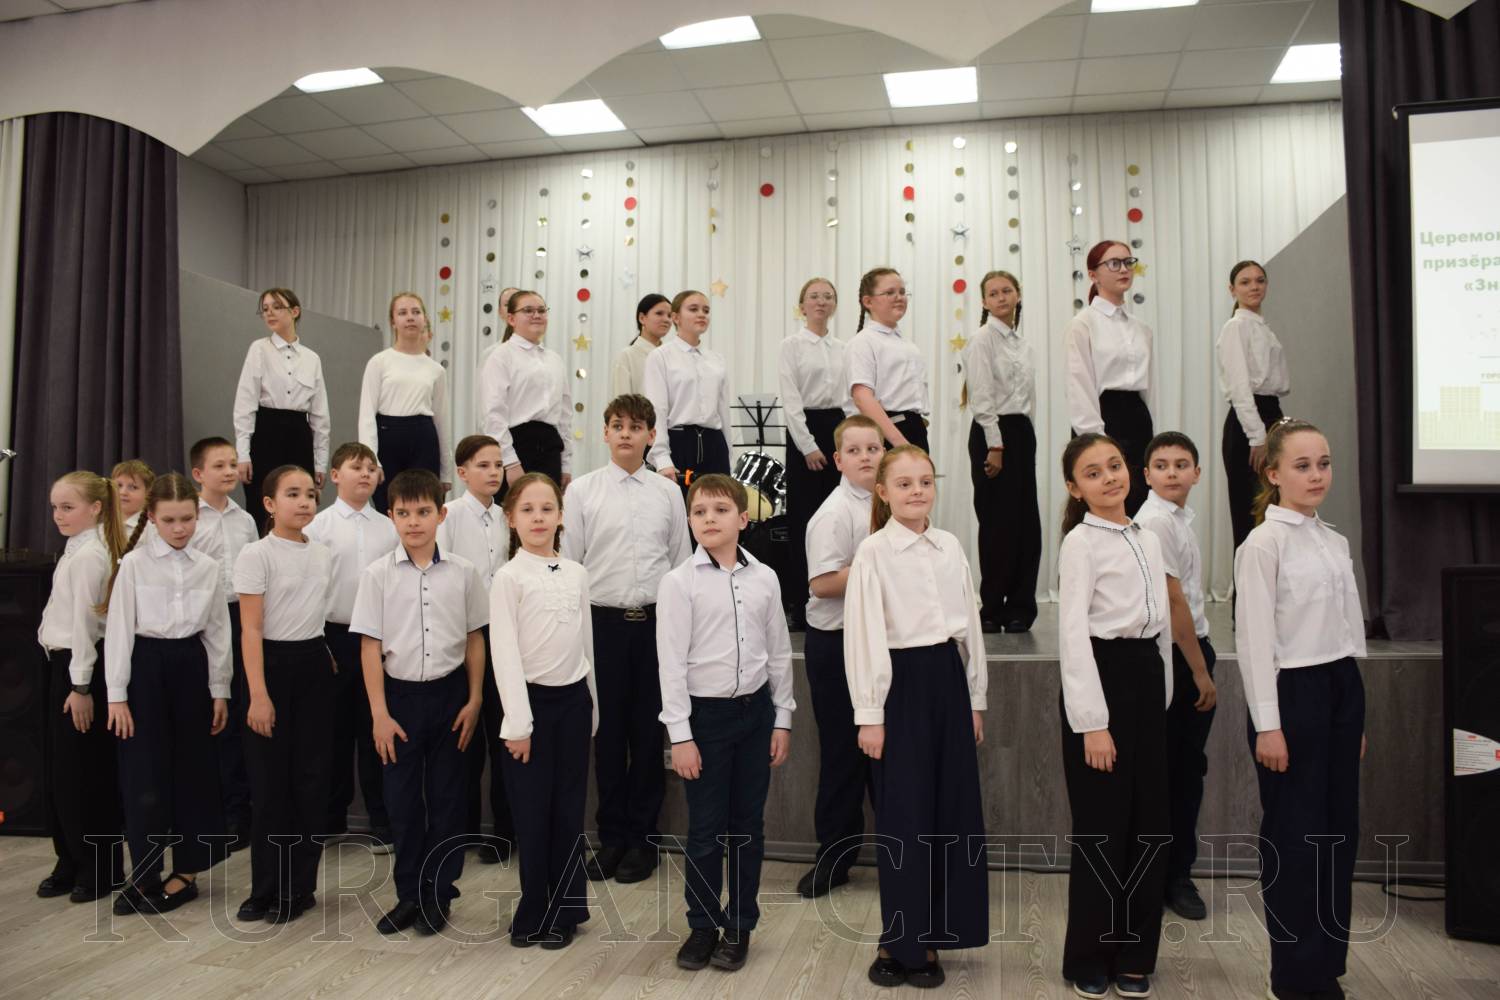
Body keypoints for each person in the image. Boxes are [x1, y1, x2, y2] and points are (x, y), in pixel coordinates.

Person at [845, 445, 988, 990]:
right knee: (905, 819)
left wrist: (975, 699)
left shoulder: (950, 546)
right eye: (904, 484)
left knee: (950, 815)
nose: (917, 491)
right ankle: (897, 940)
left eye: (925, 481)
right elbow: (864, 634)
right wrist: (870, 713)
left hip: (948, 683)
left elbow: (969, 625)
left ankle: (931, 938)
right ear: (883, 492)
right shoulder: (873, 552)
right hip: (898, 688)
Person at [1235, 418, 1367, 1000]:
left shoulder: (1333, 540)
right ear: (1273, 473)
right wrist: (1269, 725)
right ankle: (1292, 975)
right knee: (1295, 837)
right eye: (1302, 466)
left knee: (1339, 832)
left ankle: (1325, 966)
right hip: (1292, 693)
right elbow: (1254, 641)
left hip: (1341, 686)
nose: (1317, 475)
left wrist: (1353, 719)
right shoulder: (1263, 544)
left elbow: (1343, 631)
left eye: (1324, 464)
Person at [657, 474, 794, 973]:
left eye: (720, 510)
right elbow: (671, 666)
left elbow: (778, 652)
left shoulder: (765, 578)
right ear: (690, 521)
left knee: (747, 827)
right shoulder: (679, 583)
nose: (709, 519)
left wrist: (782, 718)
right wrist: (681, 737)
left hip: (755, 715)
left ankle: (739, 925)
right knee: (705, 829)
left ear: (743, 518)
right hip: (706, 719)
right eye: (699, 512)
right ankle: (701, 925)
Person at [1056, 433, 1173, 1000]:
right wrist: (1093, 723)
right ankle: (1090, 954)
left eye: (1115, 465)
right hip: (1102, 681)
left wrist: (1164, 694)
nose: (1109, 477)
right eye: (1093, 472)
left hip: (1146, 680)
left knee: (1150, 827)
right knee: (1103, 828)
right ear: (1075, 488)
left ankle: (1135, 953)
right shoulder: (1080, 543)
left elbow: (1162, 623)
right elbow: (1072, 635)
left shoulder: (1148, 536)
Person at [350, 469, 487, 936]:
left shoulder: (464, 573)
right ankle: (409, 894)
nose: (413, 522)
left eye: (423, 512)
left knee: (448, 801)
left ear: (440, 515)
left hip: (451, 697)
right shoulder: (377, 575)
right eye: (403, 513)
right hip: (399, 701)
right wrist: (379, 714)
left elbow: (474, 638)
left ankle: (439, 894)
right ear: (391, 516)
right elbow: (369, 647)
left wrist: (474, 699)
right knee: (403, 803)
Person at [563, 394, 690, 885]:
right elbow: (572, 565)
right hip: (602, 625)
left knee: (647, 733)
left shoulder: (668, 493)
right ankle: (611, 837)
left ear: (651, 436)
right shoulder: (583, 491)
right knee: (608, 736)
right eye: (616, 425)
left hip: (655, 624)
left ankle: (643, 840)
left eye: (635, 427)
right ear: (604, 433)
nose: (625, 434)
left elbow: (680, 564)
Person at [103, 473, 231, 917]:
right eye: (170, 520)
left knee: (194, 769)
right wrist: (116, 695)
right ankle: (145, 874)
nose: (179, 528)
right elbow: (119, 629)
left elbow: (218, 631)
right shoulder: (134, 564)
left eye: (187, 519)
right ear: (152, 518)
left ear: (198, 517)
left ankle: (188, 872)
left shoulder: (208, 566)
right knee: (144, 773)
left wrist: (220, 689)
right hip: (145, 667)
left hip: (191, 666)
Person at [491, 473, 598, 948]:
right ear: (511, 519)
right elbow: (504, 653)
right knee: (533, 814)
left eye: (547, 509)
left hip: (573, 703)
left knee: (569, 810)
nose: (538, 518)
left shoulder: (576, 573)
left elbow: (586, 643)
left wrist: (592, 706)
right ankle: (534, 905)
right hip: (530, 708)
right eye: (528, 510)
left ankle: (566, 910)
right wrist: (518, 722)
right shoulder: (508, 577)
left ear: (560, 516)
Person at [234, 465, 335, 924]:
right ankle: (265, 888)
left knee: (310, 783)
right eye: (292, 494)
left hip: (313, 667)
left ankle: (299, 887)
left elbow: (314, 615)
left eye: (310, 494)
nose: (304, 502)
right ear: (269, 504)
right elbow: (251, 629)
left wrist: (324, 654)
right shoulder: (256, 554)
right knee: (270, 786)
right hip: (269, 668)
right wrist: (259, 694)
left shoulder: (324, 553)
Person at [795, 415, 881, 899]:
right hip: (837, 645)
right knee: (842, 756)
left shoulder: (890, 503)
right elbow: (822, 584)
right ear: (838, 460)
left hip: (880, 643)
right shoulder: (833, 513)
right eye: (855, 450)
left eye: (873, 448)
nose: (866, 457)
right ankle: (835, 856)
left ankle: (899, 854)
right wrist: (879, 561)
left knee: (886, 754)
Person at [1135, 432, 1218, 922]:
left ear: (1197, 473)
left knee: (1185, 770)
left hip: (1189, 649)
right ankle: (1171, 877)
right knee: (1176, 773)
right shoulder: (1157, 522)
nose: (1172, 472)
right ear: (1146, 475)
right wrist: (1200, 670)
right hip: (1177, 656)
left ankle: (1172, 872)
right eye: (1162, 465)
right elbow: (1172, 600)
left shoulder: (1177, 518)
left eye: (1181, 464)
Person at [35, 471, 127, 903]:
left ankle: (100, 868)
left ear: (96, 508)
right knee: (62, 775)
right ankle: (70, 859)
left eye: (67, 507)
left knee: (85, 776)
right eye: (55, 507)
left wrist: (81, 687)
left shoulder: (92, 555)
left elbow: (86, 628)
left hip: (79, 671)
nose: (58, 515)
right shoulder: (75, 548)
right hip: (61, 667)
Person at [306, 442, 399, 850]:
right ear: (334, 475)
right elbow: (310, 590)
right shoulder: (317, 527)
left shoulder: (389, 527)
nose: (364, 473)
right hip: (333, 637)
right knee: (332, 732)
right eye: (355, 467)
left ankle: (382, 820)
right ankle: (331, 818)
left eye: (370, 468)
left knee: (375, 728)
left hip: (378, 638)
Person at [436, 434, 517, 864]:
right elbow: (442, 572)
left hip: (504, 634)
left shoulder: (507, 516)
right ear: (462, 472)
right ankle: (462, 829)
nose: (493, 472)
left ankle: (504, 833)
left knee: (503, 735)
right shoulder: (449, 516)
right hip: (464, 635)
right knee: (464, 740)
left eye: (498, 465)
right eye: (483, 465)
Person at [189, 436, 260, 850]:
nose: (230, 471)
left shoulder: (245, 520)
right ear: (199, 474)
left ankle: (238, 813)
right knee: (205, 715)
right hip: (200, 621)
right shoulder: (189, 517)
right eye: (219, 465)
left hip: (239, 617)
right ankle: (206, 811)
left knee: (235, 714)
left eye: (233, 463)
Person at [963, 269, 1041, 633]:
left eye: (1006, 291)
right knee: (997, 523)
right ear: (984, 301)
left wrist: (1026, 438)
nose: (1001, 297)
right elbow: (981, 396)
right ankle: (993, 607)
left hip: (1020, 432)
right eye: (993, 293)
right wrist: (995, 444)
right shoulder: (982, 339)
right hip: (992, 433)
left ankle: (1021, 606)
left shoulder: (1023, 344)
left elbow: (1028, 398)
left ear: (1018, 295)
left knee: (1026, 523)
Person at [778, 277, 850, 626]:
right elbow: (791, 401)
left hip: (838, 427)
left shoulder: (843, 348)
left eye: (828, 296)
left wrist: (847, 441)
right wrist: (807, 446)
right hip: (804, 430)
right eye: (814, 296)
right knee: (804, 518)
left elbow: (850, 398)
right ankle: (800, 599)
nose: (821, 302)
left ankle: (837, 594)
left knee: (838, 515)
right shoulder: (791, 346)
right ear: (802, 305)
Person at [1064, 241, 1156, 515]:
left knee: (1138, 503)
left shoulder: (1142, 329)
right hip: (1102, 416)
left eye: (1128, 262)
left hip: (1137, 418)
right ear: (1093, 274)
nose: (1124, 269)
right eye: (1114, 263)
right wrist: (1095, 441)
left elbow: (1150, 389)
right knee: (1102, 505)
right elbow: (1079, 386)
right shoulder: (1083, 324)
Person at [233, 286, 331, 534]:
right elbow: (245, 404)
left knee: (300, 505)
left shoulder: (311, 358)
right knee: (261, 504)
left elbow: (320, 416)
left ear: (294, 311)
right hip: (266, 431)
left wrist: (320, 462)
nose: (269, 313)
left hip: (299, 434)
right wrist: (243, 453)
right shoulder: (259, 349)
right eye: (265, 309)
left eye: (277, 307)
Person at [1218, 260, 1290, 551]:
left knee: (1275, 509)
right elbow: (1239, 389)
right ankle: (1247, 581)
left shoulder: (1262, 327)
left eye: (1260, 280)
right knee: (1251, 514)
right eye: (1245, 282)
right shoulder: (1235, 327)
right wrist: (1257, 436)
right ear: (1232, 289)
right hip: (1250, 423)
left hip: (1272, 414)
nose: (1254, 287)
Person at [358, 292, 453, 513]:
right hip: (387, 437)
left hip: (423, 439)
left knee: (423, 505)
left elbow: (442, 421)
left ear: (424, 319)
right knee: (388, 507)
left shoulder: (436, 370)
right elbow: (366, 415)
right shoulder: (379, 362)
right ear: (393, 321)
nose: (410, 317)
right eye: (402, 313)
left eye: (416, 312)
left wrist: (446, 472)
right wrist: (372, 461)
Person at [480, 289, 573, 497]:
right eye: (528, 310)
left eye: (541, 310)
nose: (536, 315)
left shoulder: (554, 359)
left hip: (550, 446)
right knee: (513, 510)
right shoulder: (500, 356)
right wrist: (510, 462)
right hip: (516, 446)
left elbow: (565, 415)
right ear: (511, 319)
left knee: (547, 509)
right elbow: (493, 414)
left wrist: (565, 463)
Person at [644, 290, 733, 490]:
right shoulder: (660, 357)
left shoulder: (717, 360)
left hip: (714, 443)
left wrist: (729, 455)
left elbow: (723, 412)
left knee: (718, 502)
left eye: (706, 310)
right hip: (679, 442)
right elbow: (657, 409)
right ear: (676, 317)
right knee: (679, 505)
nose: (701, 314)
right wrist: (661, 457)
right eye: (693, 309)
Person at [848, 267, 929, 453]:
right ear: (868, 301)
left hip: (913, 428)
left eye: (902, 292)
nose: (899, 297)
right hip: (888, 433)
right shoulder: (863, 342)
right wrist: (900, 443)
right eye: (890, 292)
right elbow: (862, 398)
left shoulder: (906, 343)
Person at [611, 293, 671, 397]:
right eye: (659, 313)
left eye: (669, 315)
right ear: (642, 318)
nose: (666, 319)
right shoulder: (627, 356)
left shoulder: (671, 356)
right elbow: (622, 402)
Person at [112, 459, 156, 543]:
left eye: (133, 487)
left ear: (148, 493)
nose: (123, 492)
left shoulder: (152, 530)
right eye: (119, 485)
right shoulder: (100, 525)